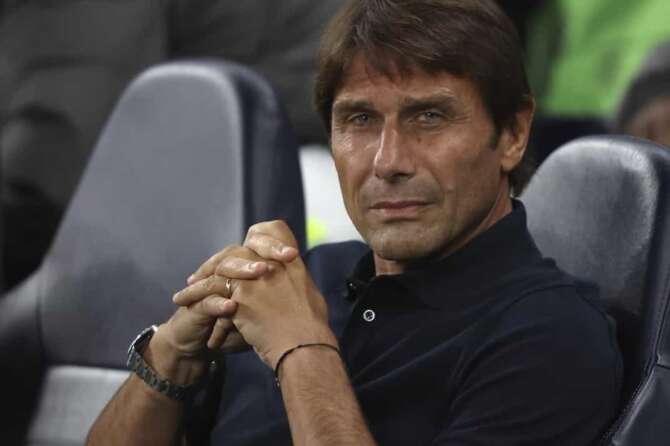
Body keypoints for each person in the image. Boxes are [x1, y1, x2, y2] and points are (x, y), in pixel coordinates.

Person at [87, 1, 622, 445]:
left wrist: (300, 346)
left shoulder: (551, 337)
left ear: (512, 135)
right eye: (360, 120)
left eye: (429, 117)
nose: (389, 161)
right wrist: (173, 356)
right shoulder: (307, 277)